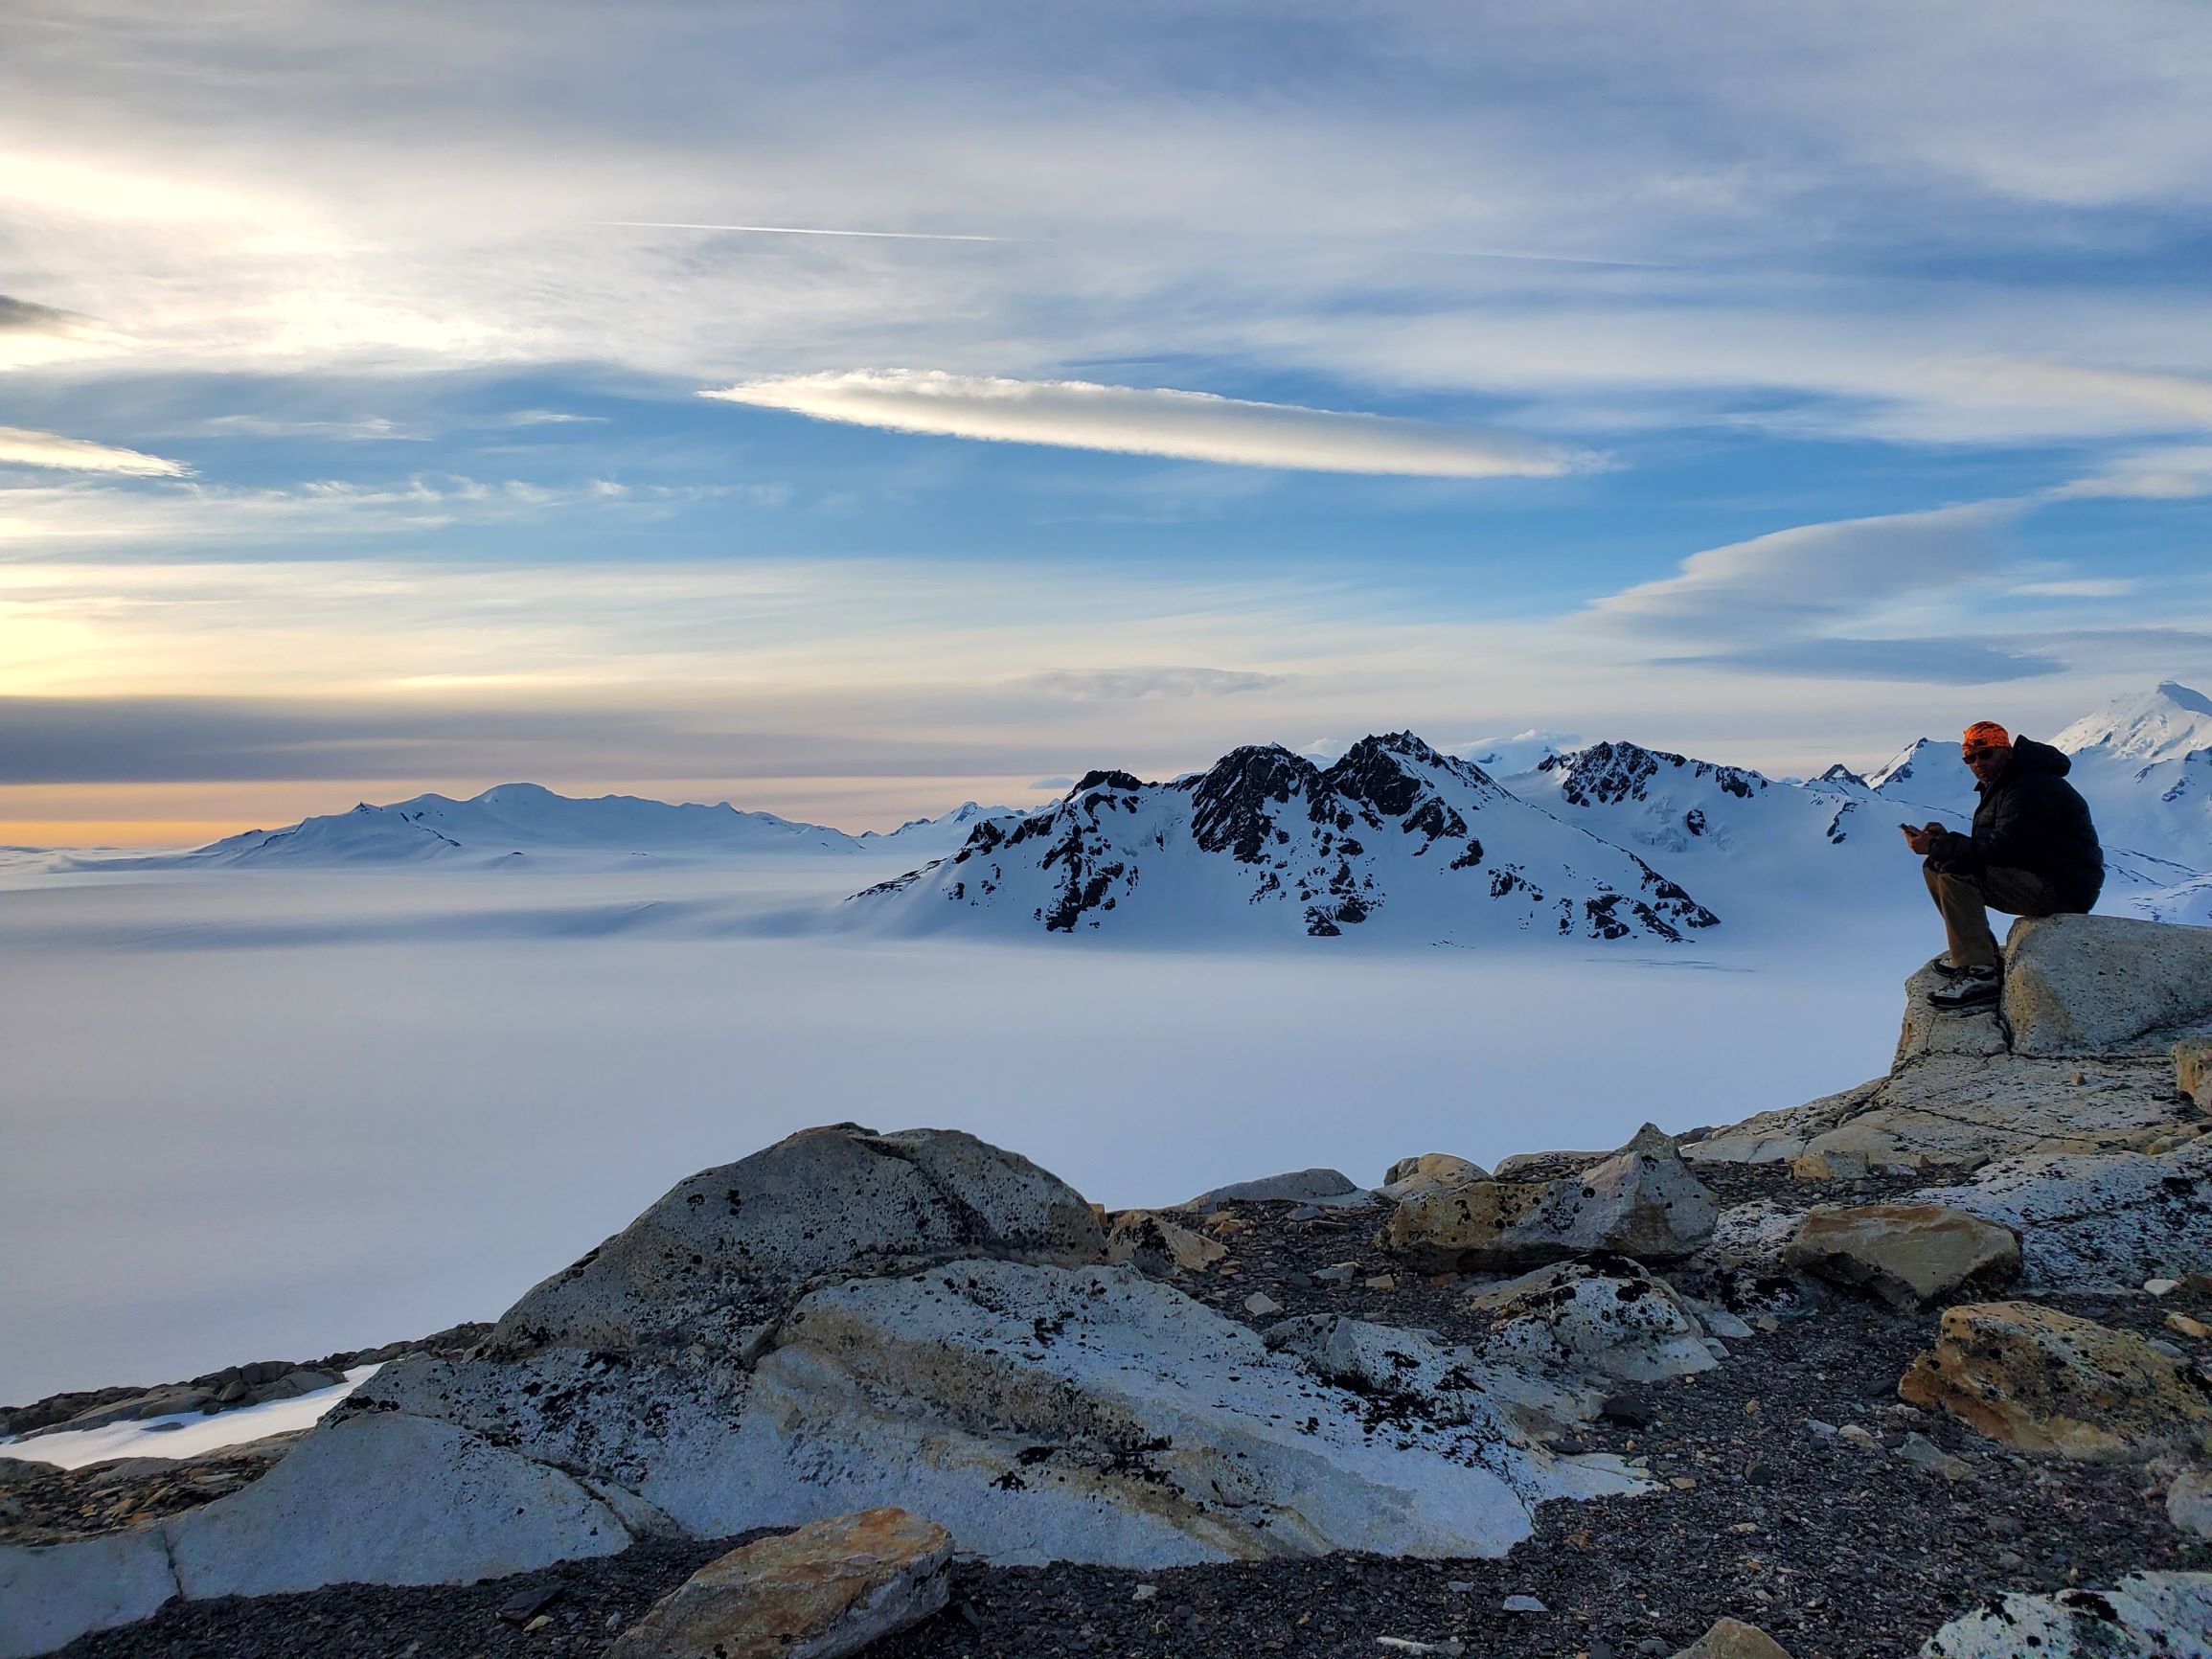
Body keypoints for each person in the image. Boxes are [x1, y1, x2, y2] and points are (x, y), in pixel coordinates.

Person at [1900, 720, 2103, 1011]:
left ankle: (1980, 971)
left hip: (2060, 888)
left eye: (1986, 754)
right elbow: (2001, 845)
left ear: (2006, 751)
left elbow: (2005, 850)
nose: (1978, 763)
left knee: (1954, 870)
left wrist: (1938, 845)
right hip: (2045, 877)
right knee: (1937, 864)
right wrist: (1943, 843)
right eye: (1970, 758)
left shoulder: (2030, 786)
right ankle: (1972, 954)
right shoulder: (2008, 784)